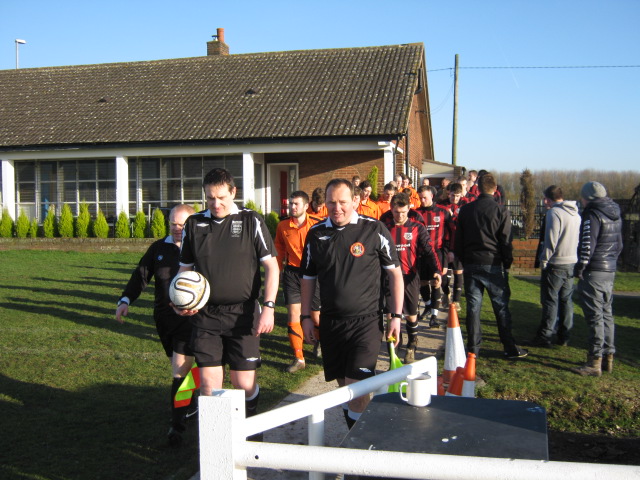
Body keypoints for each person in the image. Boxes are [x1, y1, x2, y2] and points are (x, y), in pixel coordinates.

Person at [174, 168, 279, 441]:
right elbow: (184, 269)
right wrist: (179, 299)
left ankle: (251, 433)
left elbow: (272, 266)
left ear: (233, 192)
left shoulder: (251, 220)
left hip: (243, 314)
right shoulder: (194, 224)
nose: (216, 203)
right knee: (209, 387)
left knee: (243, 384)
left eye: (221, 197)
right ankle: (218, 446)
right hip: (205, 315)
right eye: (210, 198)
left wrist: (268, 307)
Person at [300, 178, 404, 429]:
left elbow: (395, 274)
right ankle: (354, 436)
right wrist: (305, 317)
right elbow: (307, 278)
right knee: (343, 389)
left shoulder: (374, 229)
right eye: (331, 202)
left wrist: (396, 316)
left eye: (342, 202)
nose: (337, 208)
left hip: (366, 323)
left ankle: (361, 448)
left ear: (355, 201)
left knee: (357, 390)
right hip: (331, 323)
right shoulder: (316, 234)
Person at [115, 204, 197, 447]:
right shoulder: (159, 247)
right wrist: (125, 300)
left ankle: (177, 425)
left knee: (179, 370)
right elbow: (141, 275)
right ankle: (191, 397)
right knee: (183, 368)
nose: (177, 228)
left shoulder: (201, 248)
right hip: (163, 318)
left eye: (182, 224)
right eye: (173, 223)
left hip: (190, 319)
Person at [454, 173, 528, 359]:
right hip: (493, 262)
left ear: (478, 188)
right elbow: (506, 241)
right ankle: (509, 346)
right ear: (495, 189)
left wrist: (464, 259)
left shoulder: (466, 210)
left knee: (473, 308)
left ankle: (473, 348)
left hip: (471, 262)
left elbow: (458, 240)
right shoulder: (501, 211)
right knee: (500, 306)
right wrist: (507, 262)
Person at [381, 192, 441, 363]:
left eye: (403, 212)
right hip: (389, 278)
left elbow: (429, 250)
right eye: (396, 212)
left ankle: (412, 344)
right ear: (391, 209)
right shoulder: (384, 228)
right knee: (391, 315)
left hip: (410, 277)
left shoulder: (417, 228)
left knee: (411, 315)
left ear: (409, 209)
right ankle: (394, 350)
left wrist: (437, 270)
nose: (399, 216)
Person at [571, 181, 623, 376]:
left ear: (588, 198)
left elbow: (587, 244)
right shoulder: (615, 213)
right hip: (609, 269)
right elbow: (619, 244)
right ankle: (608, 357)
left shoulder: (592, 214)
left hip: (594, 270)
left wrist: (580, 267)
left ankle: (594, 361)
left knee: (595, 317)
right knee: (606, 313)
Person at [274, 191, 323, 373]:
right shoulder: (282, 226)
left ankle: (319, 341)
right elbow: (279, 249)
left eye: (296, 204)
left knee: (315, 316)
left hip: (314, 274)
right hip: (292, 273)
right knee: (293, 314)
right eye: (291, 204)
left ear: (305, 206)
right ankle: (299, 357)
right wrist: (277, 270)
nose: (292, 207)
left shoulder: (318, 224)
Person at [528, 185, 580, 348]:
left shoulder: (554, 213)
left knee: (550, 301)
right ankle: (564, 336)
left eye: (544, 198)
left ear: (548, 198)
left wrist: (544, 260)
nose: (544, 202)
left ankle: (544, 336)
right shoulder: (576, 213)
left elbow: (551, 240)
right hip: (571, 261)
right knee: (566, 300)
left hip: (556, 262)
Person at [415, 185, 451, 328]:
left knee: (436, 282)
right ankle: (428, 305)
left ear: (431, 196)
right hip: (421, 254)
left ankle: (434, 316)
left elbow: (450, 234)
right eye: (420, 198)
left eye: (425, 197)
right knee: (423, 282)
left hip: (437, 252)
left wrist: (447, 257)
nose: (422, 200)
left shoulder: (443, 212)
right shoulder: (416, 213)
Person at [439, 183, 465, 312]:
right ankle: (446, 292)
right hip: (445, 242)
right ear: (449, 194)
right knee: (443, 273)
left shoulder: (465, 206)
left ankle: (456, 301)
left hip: (459, 242)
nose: (455, 198)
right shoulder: (441, 205)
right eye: (453, 195)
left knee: (458, 272)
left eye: (457, 196)